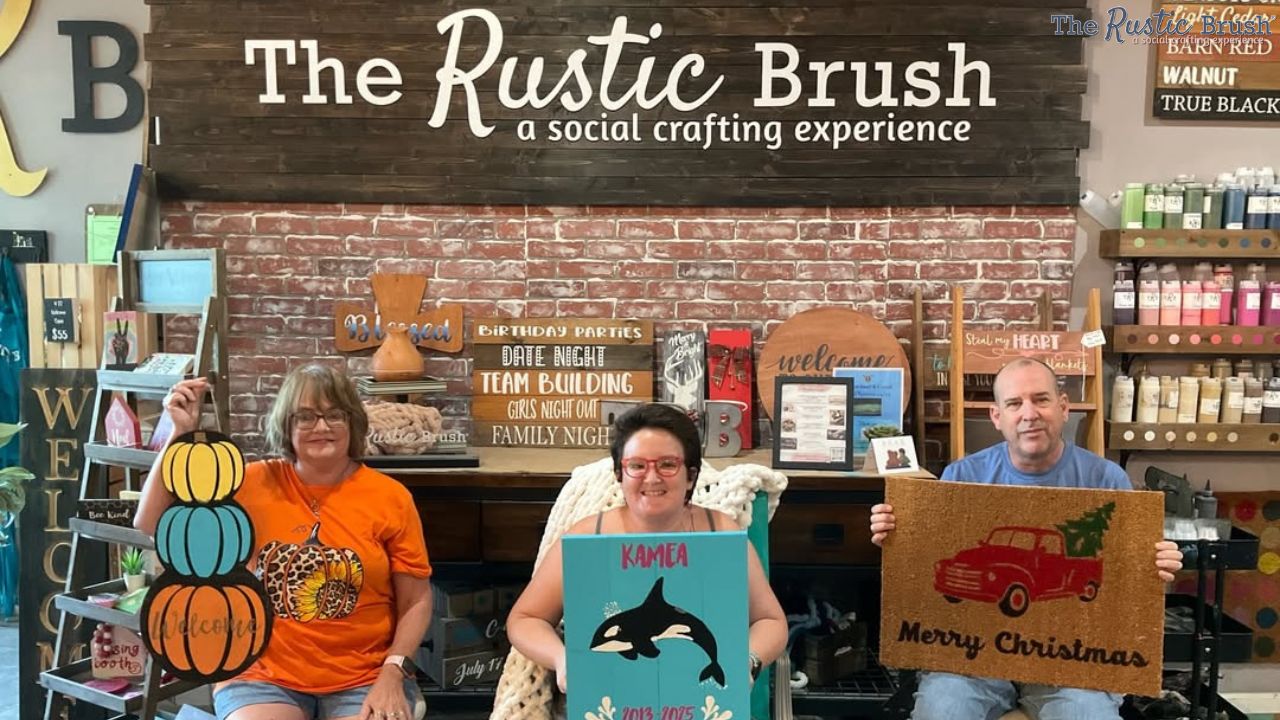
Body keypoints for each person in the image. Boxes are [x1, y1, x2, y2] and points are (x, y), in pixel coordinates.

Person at [868, 357, 1183, 720]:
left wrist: (1155, 566)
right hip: (972, 652)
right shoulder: (962, 477)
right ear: (996, 416)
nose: (1029, 413)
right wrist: (897, 539)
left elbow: (1124, 586)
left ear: (1063, 408)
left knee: (1087, 713)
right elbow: (925, 578)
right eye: (1015, 403)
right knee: (943, 708)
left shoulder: (1107, 480)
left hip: (1073, 658)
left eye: (1041, 400)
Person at [134, 364, 433, 720]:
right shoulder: (249, 483)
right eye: (305, 416)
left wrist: (393, 672)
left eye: (334, 415)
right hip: (262, 674)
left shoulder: (390, 498)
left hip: (366, 676)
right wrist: (180, 432)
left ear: (352, 422)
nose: (321, 427)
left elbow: (416, 600)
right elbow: (150, 522)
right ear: (286, 425)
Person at [506, 403, 788, 694]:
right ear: (620, 474)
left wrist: (749, 660)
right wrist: (561, 658)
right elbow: (525, 619)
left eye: (667, 464)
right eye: (637, 466)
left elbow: (770, 620)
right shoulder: (588, 537)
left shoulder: (724, 534)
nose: (652, 478)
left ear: (690, 475)